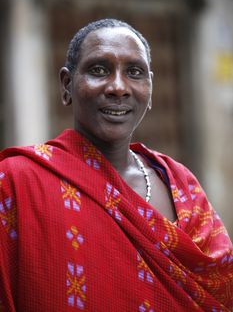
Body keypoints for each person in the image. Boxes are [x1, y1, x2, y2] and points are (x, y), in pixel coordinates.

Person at [0, 18, 232, 312]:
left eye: (134, 72)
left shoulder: (181, 183)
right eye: (99, 70)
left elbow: (219, 287)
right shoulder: (17, 183)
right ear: (66, 84)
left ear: (149, 88)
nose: (118, 87)